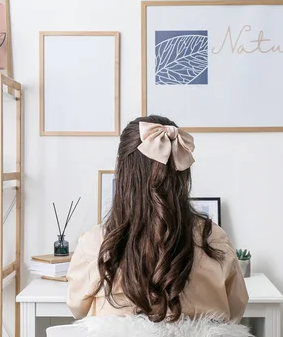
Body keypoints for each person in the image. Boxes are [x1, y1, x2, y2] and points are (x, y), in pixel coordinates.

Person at [66, 115, 249, 323]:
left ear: (121, 167)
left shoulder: (96, 243)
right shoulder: (214, 239)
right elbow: (236, 310)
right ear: (183, 170)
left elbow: (77, 308)